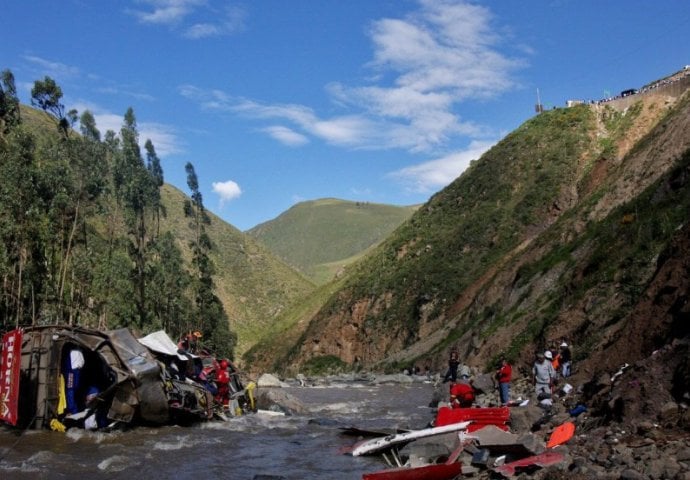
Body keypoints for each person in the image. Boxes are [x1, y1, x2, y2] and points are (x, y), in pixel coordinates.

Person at [63, 347, 85, 414]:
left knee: (73, 390)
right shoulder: (72, 352)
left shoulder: (78, 351)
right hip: (71, 371)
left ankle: (73, 409)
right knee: (71, 390)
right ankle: (72, 409)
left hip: (75, 370)